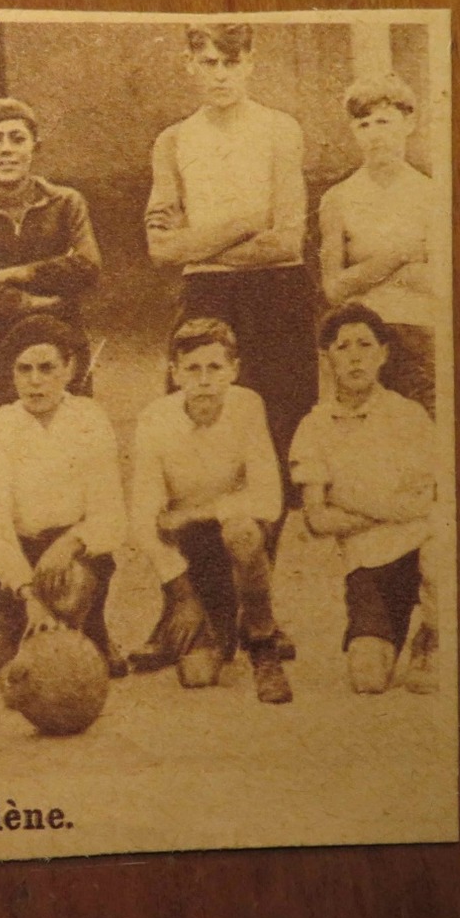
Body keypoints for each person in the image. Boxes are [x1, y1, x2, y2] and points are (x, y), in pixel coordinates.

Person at [144, 22, 318, 478]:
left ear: (250, 63)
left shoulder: (280, 129)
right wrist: (243, 222)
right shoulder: (173, 140)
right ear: (190, 64)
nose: (221, 75)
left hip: (277, 294)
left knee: (283, 427)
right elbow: (161, 247)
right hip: (207, 297)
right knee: (201, 425)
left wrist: (198, 245)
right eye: (209, 63)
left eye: (232, 63)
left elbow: (285, 241)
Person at [127, 318, 293, 704]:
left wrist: (194, 512)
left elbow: (269, 500)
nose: (204, 380)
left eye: (215, 368)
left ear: (233, 370)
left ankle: (263, 643)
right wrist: (180, 591)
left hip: (234, 535)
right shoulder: (154, 419)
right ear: (175, 373)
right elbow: (144, 516)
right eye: (192, 369)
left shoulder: (249, 406)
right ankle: (190, 616)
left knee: (243, 530)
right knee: (198, 675)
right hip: (190, 549)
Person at [290, 303, 439, 694]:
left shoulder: (410, 416)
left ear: (384, 354)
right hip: (367, 559)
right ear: (327, 359)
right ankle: (388, 634)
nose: (355, 356)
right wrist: (389, 512)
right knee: (368, 679)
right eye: (343, 347)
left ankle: (432, 637)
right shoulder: (314, 426)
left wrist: (352, 502)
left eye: (365, 344)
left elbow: (429, 501)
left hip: (422, 548)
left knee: (440, 555)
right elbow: (317, 519)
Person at [0, 315, 128, 678]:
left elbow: (110, 515)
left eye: (47, 368)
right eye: (23, 369)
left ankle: (91, 626)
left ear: (70, 368)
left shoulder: (89, 418)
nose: (35, 380)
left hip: (71, 556)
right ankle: (18, 628)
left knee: (68, 613)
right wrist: (30, 596)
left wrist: (70, 543)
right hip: (19, 559)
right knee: (10, 669)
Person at [0, 98, 102, 435]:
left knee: (68, 453)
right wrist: (34, 302)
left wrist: (14, 274)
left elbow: (88, 267)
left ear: (35, 146)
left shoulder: (66, 203)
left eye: (17, 139)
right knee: (1, 457)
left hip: (62, 349)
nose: (6, 150)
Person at [318, 73, 439, 416]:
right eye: (364, 125)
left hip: (423, 335)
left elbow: (440, 284)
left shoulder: (432, 195)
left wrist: (365, 274)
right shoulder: (337, 199)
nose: (375, 134)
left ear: (409, 122)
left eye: (384, 121)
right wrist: (400, 256)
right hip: (362, 342)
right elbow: (334, 289)